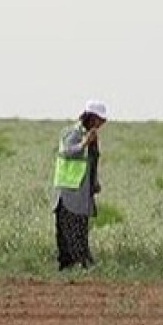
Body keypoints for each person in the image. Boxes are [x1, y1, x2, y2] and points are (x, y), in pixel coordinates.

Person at [51, 99, 107, 271]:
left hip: (82, 190)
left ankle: (80, 264)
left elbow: (92, 161)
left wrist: (94, 182)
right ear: (91, 117)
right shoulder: (73, 132)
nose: (101, 124)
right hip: (69, 190)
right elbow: (67, 151)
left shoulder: (91, 135)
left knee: (80, 229)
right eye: (99, 119)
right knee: (69, 230)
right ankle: (75, 265)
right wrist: (84, 143)